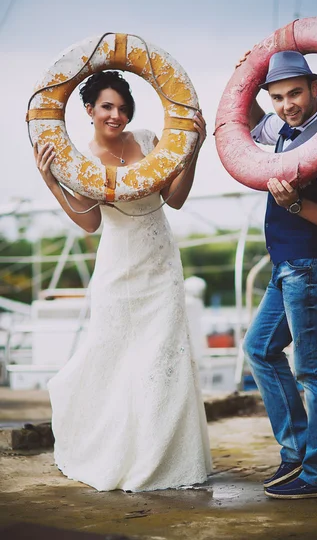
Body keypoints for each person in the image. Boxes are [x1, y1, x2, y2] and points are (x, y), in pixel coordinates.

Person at [34, 70, 212, 492]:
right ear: (89, 110)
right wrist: (51, 180)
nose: (117, 115)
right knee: (115, 358)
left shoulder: (149, 140)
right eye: (107, 107)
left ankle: (162, 459)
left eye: (122, 107)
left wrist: (194, 149)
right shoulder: (80, 157)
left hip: (161, 262)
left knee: (163, 360)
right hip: (117, 269)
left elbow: (177, 199)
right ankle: (114, 452)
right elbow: (91, 223)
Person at [242, 51, 317, 499]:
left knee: (314, 371)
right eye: (277, 96)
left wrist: (296, 204)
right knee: (259, 347)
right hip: (288, 265)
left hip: (316, 265)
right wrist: (246, 80)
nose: (286, 104)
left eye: (294, 92)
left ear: (315, 86)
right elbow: (256, 123)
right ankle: (298, 452)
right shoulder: (284, 125)